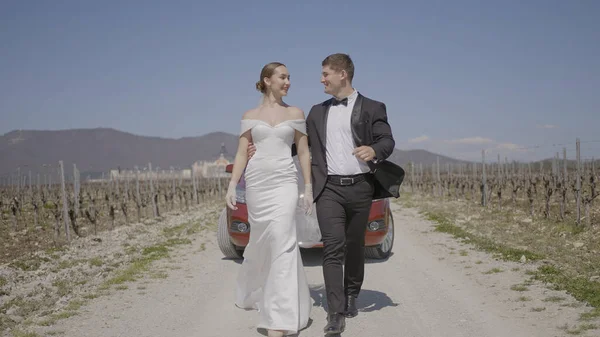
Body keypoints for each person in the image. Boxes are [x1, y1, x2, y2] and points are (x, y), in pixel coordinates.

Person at [250, 53, 404, 335]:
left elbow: (387, 140)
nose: (321, 79)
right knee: (332, 248)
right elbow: (298, 145)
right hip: (329, 188)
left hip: (360, 187)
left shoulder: (372, 108)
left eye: (325, 74)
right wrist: (264, 147)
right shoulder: (316, 112)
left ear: (342, 74)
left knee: (355, 245)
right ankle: (335, 314)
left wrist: (374, 150)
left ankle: (351, 294)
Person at [225, 62, 313, 337]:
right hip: (257, 183)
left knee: (283, 239)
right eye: (283, 77)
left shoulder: (296, 113)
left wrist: (308, 186)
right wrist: (231, 185)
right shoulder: (250, 115)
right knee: (262, 242)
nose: (288, 82)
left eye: (289, 78)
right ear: (267, 80)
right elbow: (241, 153)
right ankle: (258, 290)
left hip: (285, 182)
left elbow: (303, 153)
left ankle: (280, 318)